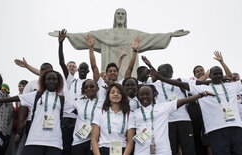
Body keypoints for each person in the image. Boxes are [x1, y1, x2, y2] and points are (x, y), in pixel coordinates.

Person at [142, 56, 242, 155]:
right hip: (215, 130)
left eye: (219, 73)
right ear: (209, 76)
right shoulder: (200, 89)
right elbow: (180, 85)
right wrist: (159, 77)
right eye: (214, 74)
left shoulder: (232, 86)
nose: (217, 75)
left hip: (237, 128)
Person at [49, 8, 190, 79]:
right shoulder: (104, 34)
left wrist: (170, 34)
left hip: (129, 76)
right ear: (114, 17)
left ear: (126, 17)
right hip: (108, 77)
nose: (121, 16)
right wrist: (67, 35)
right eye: (118, 14)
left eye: (123, 14)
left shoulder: (134, 34)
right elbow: (85, 37)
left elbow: (152, 38)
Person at [0, 70, 73, 155]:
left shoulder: (62, 99)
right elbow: (14, 98)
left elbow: (77, 111)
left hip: (54, 143)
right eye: (48, 79)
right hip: (34, 141)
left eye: (54, 79)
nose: (51, 81)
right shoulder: (36, 95)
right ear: (44, 81)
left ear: (58, 81)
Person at [133, 84, 213, 155]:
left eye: (147, 94)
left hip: (163, 150)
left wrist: (202, 94)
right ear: (137, 96)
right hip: (141, 150)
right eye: (141, 94)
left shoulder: (163, 107)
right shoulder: (134, 113)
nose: (144, 96)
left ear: (153, 95)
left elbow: (183, 101)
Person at [151, 63, 195, 155]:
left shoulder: (180, 81)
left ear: (172, 72)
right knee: (172, 149)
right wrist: (149, 67)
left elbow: (197, 83)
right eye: (163, 69)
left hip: (184, 120)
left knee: (189, 149)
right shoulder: (154, 85)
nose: (167, 71)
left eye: (169, 69)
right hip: (167, 122)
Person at [91, 83, 135, 155]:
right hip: (103, 149)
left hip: (122, 150)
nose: (116, 94)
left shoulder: (129, 115)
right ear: (108, 96)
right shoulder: (100, 112)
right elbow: (94, 139)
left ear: (123, 96)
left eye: (119, 92)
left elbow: (130, 141)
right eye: (112, 92)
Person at [70, 79, 104, 155]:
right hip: (79, 140)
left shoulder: (104, 103)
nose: (89, 89)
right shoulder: (78, 103)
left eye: (92, 86)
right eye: (86, 87)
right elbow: (65, 105)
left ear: (97, 88)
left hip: (95, 140)